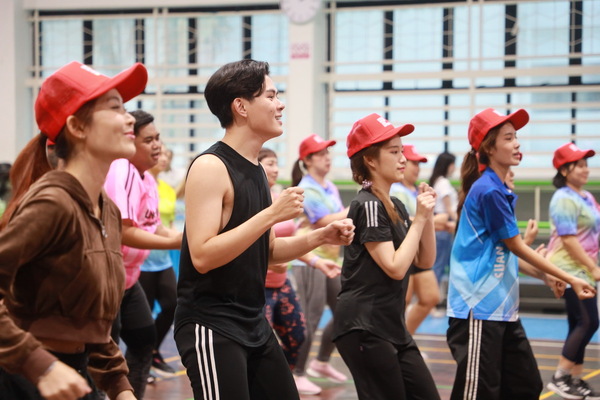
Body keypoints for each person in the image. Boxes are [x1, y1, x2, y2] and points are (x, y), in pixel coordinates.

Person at [173, 59, 354, 400]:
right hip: (211, 324)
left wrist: (320, 236)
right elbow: (202, 256)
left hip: (253, 320)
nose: (280, 104)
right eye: (271, 96)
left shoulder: (256, 170)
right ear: (240, 107)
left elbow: (268, 251)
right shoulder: (211, 166)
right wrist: (271, 214)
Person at [0, 60, 147, 400]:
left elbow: (90, 322)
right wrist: (40, 366)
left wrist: (120, 387)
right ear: (77, 127)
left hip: (74, 374)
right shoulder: (53, 203)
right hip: (25, 378)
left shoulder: (107, 210)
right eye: (115, 107)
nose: (129, 118)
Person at [446, 108, 596, 400]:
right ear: (489, 148)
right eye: (508, 138)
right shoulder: (488, 190)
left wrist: (544, 276)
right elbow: (516, 245)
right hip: (479, 309)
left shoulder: (499, 190)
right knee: (479, 393)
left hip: (502, 310)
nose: (517, 143)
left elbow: (504, 252)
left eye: (516, 137)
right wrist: (570, 278)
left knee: (525, 385)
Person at [333, 113, 440, 400]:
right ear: (370, 159)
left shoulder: (395, 205)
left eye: (402, 151)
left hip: (392, 325)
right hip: (364, 326)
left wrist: (427, 216)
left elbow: (424, 261)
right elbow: (395, 267)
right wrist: (419, 220)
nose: (403, 159)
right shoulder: (367, 204)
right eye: (394, 152)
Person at [104, 109, 182, 399]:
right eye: (148, 140)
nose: (157, 145)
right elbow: (123, 231)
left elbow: (154, 225)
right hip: (107, 280)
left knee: (143, 339)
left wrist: (185, 238)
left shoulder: (148, 178)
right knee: (104, 352)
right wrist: (177, 244)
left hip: (129, 279)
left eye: (158, 138)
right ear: (129, 141)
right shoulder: (121, 170)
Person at [259, 147, 341, 393]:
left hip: (282, 282)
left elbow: (289, 241)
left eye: (277, 163)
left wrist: (317, 261)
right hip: (260, 286)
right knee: (260, 343)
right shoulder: (253, 200)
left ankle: (289, 376)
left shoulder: (281, 198)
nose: (275, 169)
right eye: (269, 164)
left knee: (298, 335)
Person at [290, 133, 350, 394]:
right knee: (309, 319)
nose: (327, 158)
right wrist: (356, 208)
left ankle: (321, 362)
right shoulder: (306, 189)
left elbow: (338, 219)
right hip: (309, 261)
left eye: (328, 153)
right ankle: (297, 372)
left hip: (331, 261)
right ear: (307, 160)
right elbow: (323, 222)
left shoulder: (330, 187)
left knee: (345, 313)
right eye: (321, 154)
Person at [545, 143, 600, 400]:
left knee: (579, 322)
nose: (585, 169)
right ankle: (560, 377)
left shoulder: (586, 197)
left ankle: (575, 380)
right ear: (565, 170)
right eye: (579, 165)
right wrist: (593, 267)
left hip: (584, 270)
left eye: (586, 165)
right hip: (569, 271)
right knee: (589, 322)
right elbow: (568, 239)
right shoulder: (563, 198)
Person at [390, 144, 441, 335]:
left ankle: (405, 338)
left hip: (420, 250)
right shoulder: (395, 190)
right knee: (403, 300)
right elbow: (400, 219)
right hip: (404, 249)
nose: (417, 168)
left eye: (419, 164)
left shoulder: (415, 190)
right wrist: (428, 219)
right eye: (414, 163)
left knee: (431, 297)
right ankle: (398, 341)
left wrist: (431, 219)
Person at [138, 144, 179, 379]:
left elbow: (167, 225)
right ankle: (144, 360)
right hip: (142, 260)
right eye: (160, 153)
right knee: (141, 317)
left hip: (163, 259)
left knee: (172, 304)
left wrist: (181, 239)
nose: (163, 158)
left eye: (167, 155)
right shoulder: (138, 183)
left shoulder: (168, 190)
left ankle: (152, 352)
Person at [429, 152, 458, 288]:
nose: (454, 168)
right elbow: (449, 209)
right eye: (453, 164)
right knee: (438, 267)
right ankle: (431, 297)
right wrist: (460, 223)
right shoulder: (443, 182)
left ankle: (431, 297)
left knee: (438, 266)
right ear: (448, 165)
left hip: (439, 227)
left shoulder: (437, 181)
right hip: (443, 226)